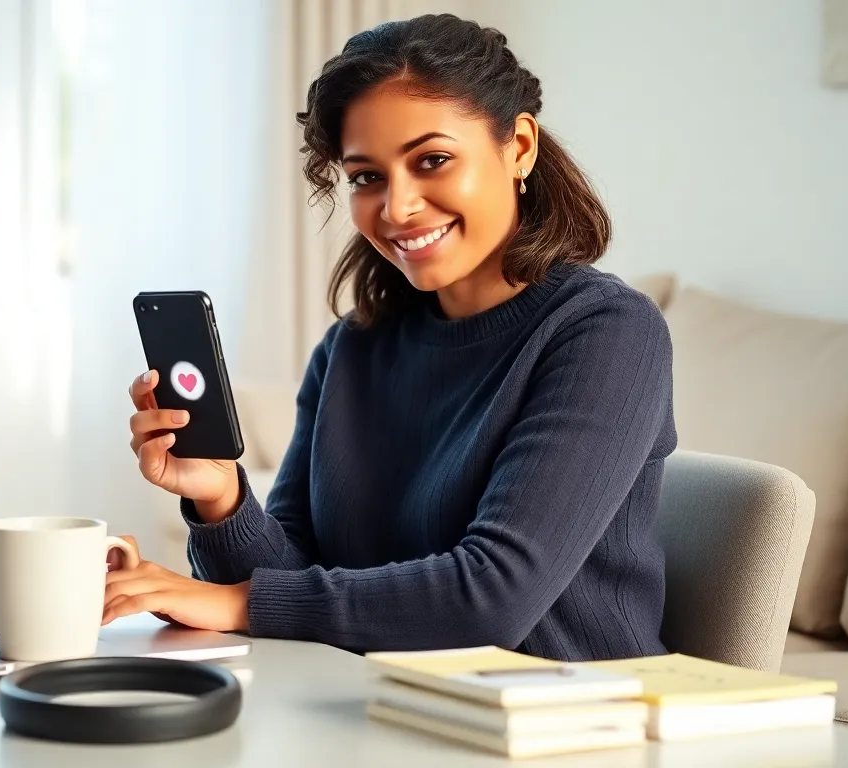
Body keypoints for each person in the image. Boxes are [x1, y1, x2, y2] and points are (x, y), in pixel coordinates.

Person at [102, 13, 676, 662]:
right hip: (377, 709)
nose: (397, 207)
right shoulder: (353, 349)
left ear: (518, 147)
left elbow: (492, 599)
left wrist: (234, 604)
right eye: (367, 177)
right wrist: (221, 497)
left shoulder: (606, 334)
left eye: (432, 160)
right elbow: (288, 574)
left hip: (572, 728)